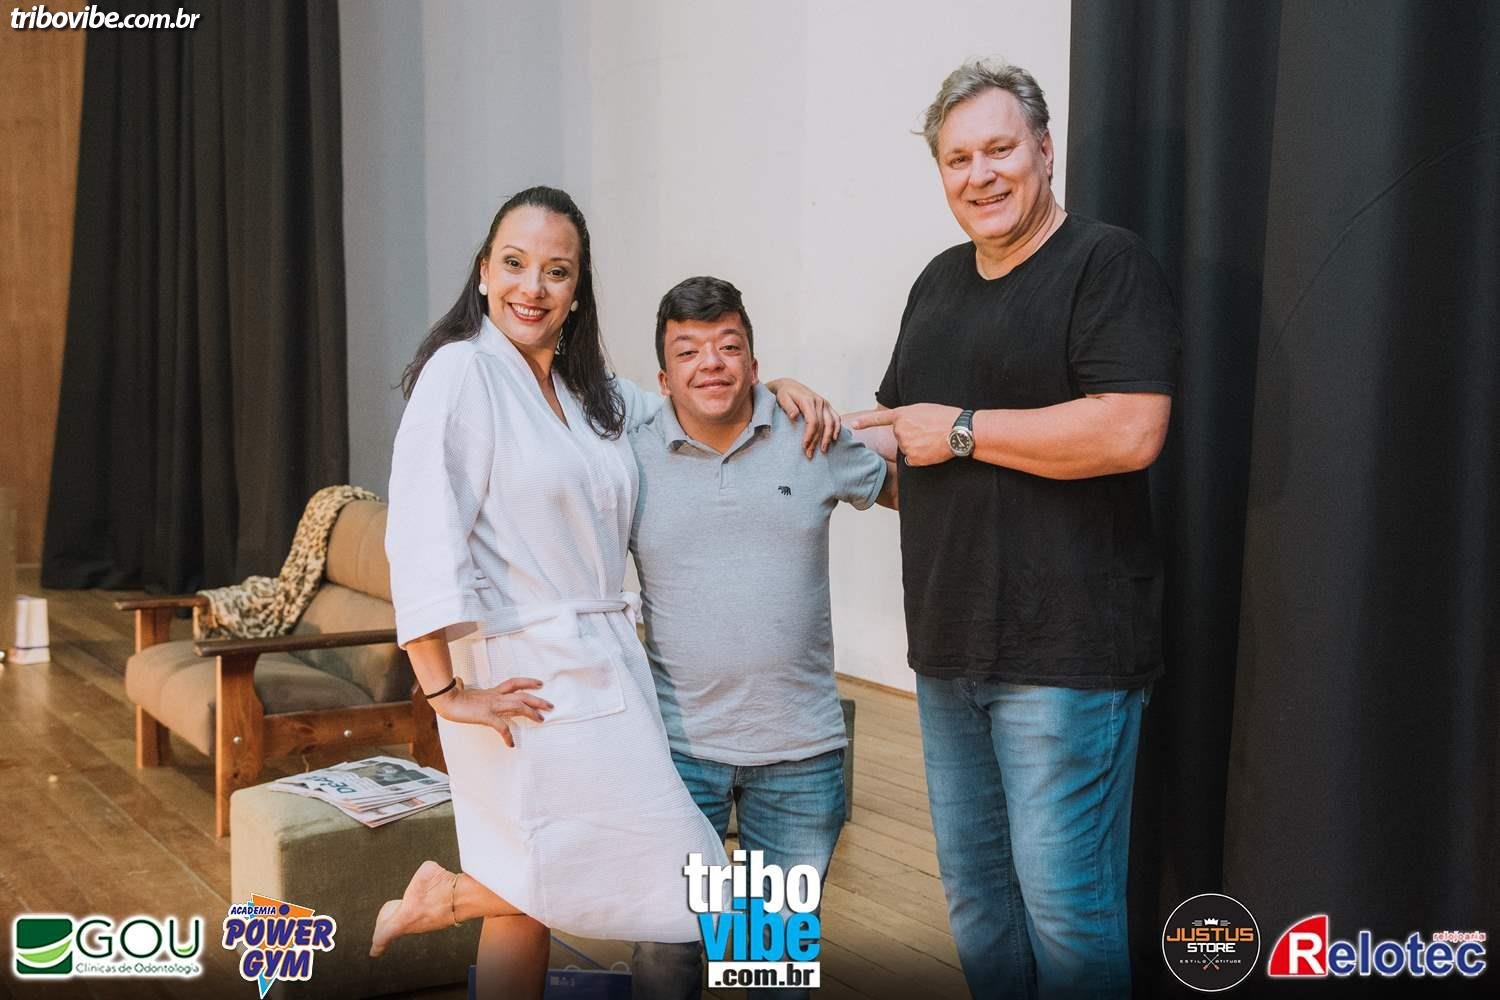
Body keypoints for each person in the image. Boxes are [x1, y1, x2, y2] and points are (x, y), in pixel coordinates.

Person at [368, 187, 839, 998]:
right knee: (675, 872)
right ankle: (450, 897)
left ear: (578, 290)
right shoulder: (461, 372)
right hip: (516, 673)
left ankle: (453, 895)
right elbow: (418, 529)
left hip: (603, 658)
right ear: (483, 273)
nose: (533, 287)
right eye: (514, 264)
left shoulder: (594, 394)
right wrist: (443, 689)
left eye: (557, 271)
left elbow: (699, 400)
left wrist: (776, 390)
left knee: (530, 893)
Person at [848, 60, 1180, 998]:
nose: (980, 175)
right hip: (948, 652)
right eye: (958, 159)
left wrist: (959, 429)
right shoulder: (937, 283)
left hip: (1067, 660)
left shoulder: (1105, 263)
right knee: (979, 910)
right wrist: (799, 431)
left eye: (999, 149)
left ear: (1044, 149)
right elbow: (906, 453)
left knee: (1068, 917)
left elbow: (1130, 430)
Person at [627, 276, 895, 1000]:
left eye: (728, 346)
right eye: (688, 351)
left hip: (800, 755)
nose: (710, 363)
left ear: (753, 362)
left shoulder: (810, 436)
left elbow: (912, 491)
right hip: (678, 754)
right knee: (667, 956)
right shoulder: (631, 457)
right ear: (663, 379)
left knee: (768, 970)